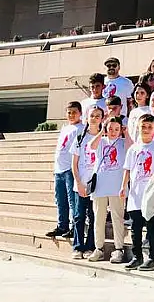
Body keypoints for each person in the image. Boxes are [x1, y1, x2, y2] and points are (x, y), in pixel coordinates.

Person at [122, 113, 154, 270]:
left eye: (149, 127)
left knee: (152, 228)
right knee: (135, 228)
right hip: (135, 195)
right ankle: (137, 256)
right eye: (143, 127)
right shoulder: (133, 148)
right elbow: (127, 169)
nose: (146, 129)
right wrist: (123, 187)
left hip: (151, 195)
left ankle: (153, 258)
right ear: (138, 128)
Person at [88, 116, 131, 263]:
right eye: (111, 128)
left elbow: (132, 148)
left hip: (117, 187)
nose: (113, 132)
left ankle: (118, 249)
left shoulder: (123, 142)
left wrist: (126, 133)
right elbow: (91, 146)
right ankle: (98, 248)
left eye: (116, 129)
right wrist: (102, 131)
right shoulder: (101, 141)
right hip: (100, 186)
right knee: (98, 219)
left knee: (117, 219)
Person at [46, 101, 84, 240]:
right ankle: (62, 225)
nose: (71, 115)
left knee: (71, 200)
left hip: (70, 168)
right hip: (59, 169)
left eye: (74, 112)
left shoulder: (81, 128)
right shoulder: (65, 128)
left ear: (80, 113)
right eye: (69, 112)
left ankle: (75, 227)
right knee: (60, 199)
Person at [69, 105, 103, 259]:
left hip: (97, 185)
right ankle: (77, 247)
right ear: (87, 118)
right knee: (79, 216)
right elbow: (74, 163)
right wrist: (79, 183)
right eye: (92, 116)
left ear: (102, 119)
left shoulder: (104, 138)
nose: (94, 119)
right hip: (81, 184)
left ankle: (90, 246)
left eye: (97, 116)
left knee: (94, 216)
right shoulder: (80, 138)